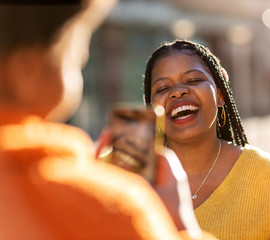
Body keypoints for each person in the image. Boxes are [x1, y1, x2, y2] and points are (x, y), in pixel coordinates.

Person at [0, 2, 216, 240]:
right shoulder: (111, 209)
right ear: (26, 67)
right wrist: (178, 225)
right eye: (77, 46)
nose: (84, 55)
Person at [143, 39, 270, 239]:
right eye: (162, 88)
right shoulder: (119, 170)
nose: (178, 91)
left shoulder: (265, 175)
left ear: (220, 94)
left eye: (193, 80)